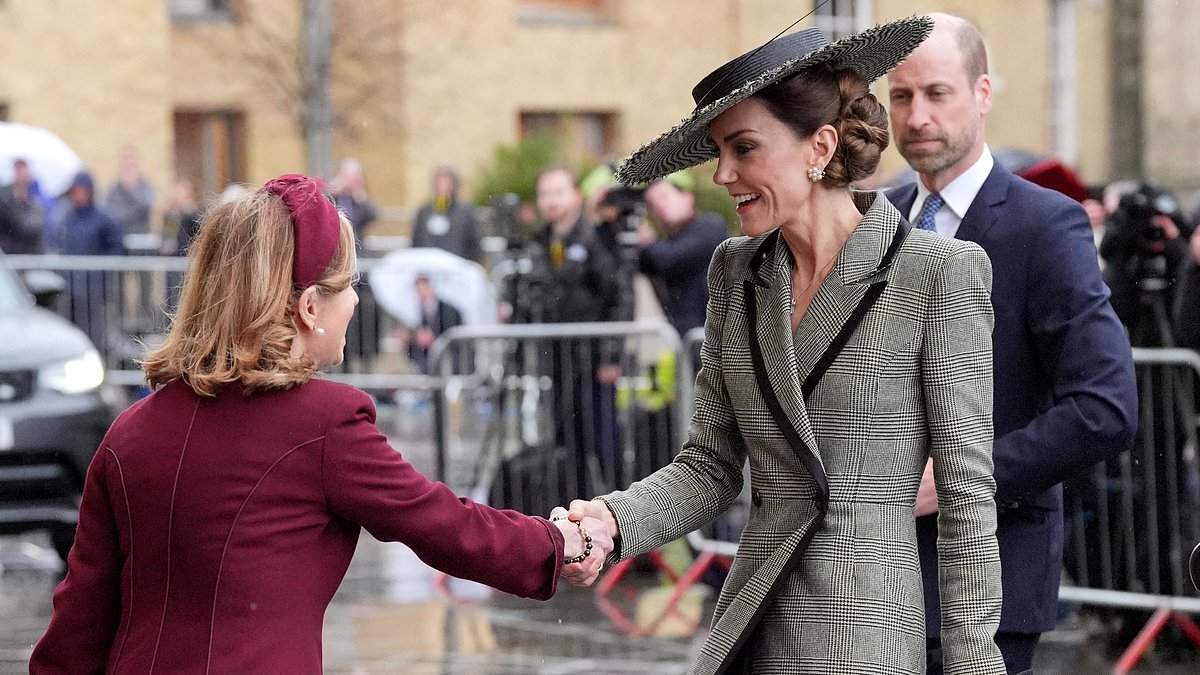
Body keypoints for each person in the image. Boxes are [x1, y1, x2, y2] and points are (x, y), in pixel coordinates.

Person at [28, 174, 612, 673]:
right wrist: (561, 541)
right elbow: (442, 524)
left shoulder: (128, 434)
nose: (355, 302)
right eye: (347, 285)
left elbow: (78, 624)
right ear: (309, 307)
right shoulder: (324, 424)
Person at [565, 16, 1007, 673]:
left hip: (867, 639)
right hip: (752, 625)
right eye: (719, 150)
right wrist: (611, 519)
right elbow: (709, 464)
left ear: (819, 146)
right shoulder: (736, 271)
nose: (722, 174)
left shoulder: (937, 272)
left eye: (743, 148)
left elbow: (968, 504)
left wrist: (975, 667)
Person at [884, 13, 1138, 673]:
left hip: (987, 583)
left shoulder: (1044, 224)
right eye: (901, 96)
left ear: (983, 93)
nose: (915, 116)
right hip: (866, 575)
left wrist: (963, 479)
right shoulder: (871, 219)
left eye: (937, 93)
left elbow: (1105, 407)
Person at [637, 172, 729, 338]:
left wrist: (648, 242)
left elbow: (669, 258)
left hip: (715, 340)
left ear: (687, 197)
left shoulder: (709, 226)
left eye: (664, 196)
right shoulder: (664, 245)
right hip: (688, 342)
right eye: (651, 204)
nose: (659, 205)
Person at [410, 165, 481, 263]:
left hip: (457, 267)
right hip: (428, 267)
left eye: (446, 183)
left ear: (454, 185)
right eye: (439, 183)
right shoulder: (425, 211)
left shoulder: (466, 212)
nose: (442, 187)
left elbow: (474, 244)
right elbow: (416, 241)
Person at [406, 274, 463, 374]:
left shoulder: (448, 310)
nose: (420, 292)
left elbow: (452, 336)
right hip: (429, 362)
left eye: (423, 287)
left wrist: (433, 339)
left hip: (449, 361)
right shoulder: (419, 310)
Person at [103, 147, 155, 238]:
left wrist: (128, 190)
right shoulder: (114, 188)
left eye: (131, 166)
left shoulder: (146, 186)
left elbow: (145, 206)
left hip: (141, 239)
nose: (128, 170)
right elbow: (110, 213)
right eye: (125, 166)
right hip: (119, 238)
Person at [0, 158, 46, 253]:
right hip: (10, 256)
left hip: (30, 257)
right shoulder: (4, 203)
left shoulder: (36, 201)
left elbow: (31, 228)